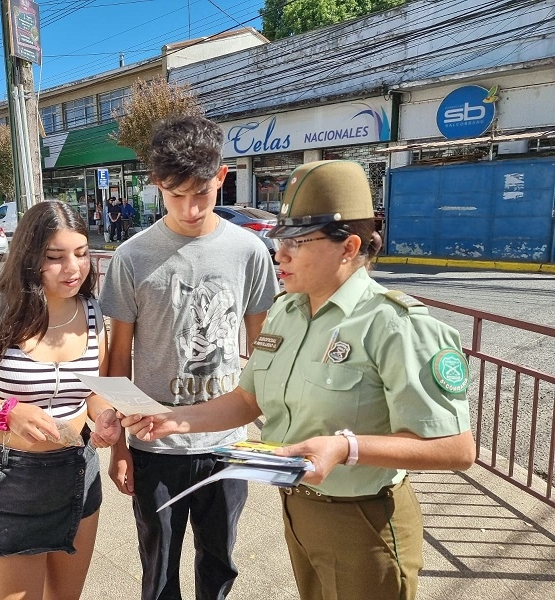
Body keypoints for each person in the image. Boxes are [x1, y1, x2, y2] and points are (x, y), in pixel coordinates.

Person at [122, 160, 476, 600]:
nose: (280, 255)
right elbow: (248, 400)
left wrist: (346, 448)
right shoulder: (289, 312)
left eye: (297, 243)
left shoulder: (395, 325)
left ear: (348, 247)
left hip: (363, 521)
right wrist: (174, 419)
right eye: (279, 240)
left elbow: (456, 449)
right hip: (299, 510)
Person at [99, 115, 279, 600]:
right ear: (157, 185)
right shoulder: (132, 258)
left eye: (202, 192)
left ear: (222, 176)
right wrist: (119, 446)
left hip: (226, 444)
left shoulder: (250, 252)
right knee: (158, 572)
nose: (192, 208)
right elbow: (117, 363)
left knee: (219, 564)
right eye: (176, 195)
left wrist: (273, 428)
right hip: (154, 450)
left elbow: (264, 350)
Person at [0, 200, 121, 600]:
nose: (73, 268)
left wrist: (106, 416)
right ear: (30, 257)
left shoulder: (92, 310)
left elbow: (95, 390)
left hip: (77, 472)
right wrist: (5, 411)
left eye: (81, 254)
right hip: (8, 480)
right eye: (55, 257)